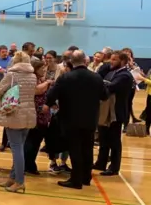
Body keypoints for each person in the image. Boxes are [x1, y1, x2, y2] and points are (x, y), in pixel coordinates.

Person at [45, 50, 108, 189]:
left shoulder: (66, 77)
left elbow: (52, 95)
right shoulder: (96, 77)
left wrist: (47, 104)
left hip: (71, 119)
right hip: (90, 119)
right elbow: (104, 96)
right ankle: (86, 177)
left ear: (71, 62)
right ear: (86, 61)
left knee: (75, 150)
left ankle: (76, 180)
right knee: (87, 149)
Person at [0, 51, 37, 193]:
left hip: (14, 114)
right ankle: (12, 178)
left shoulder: (11, 75)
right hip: (29, 115)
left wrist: (2, 100)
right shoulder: (33, 76)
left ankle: (19, 181)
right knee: (20, 148)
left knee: (16, 149)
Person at [94, 51, 134, 176]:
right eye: (110, 59)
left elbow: (110, 87)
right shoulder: (111, 71)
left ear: (123, 61)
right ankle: (101, 162)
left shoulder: (125, 75)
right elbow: (100, 80)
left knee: (114, 141)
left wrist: (102, 84)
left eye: (114, 60)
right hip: (105, 111)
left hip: (116, 112)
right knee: (103, 139)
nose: (111, 62)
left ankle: (114, 167)